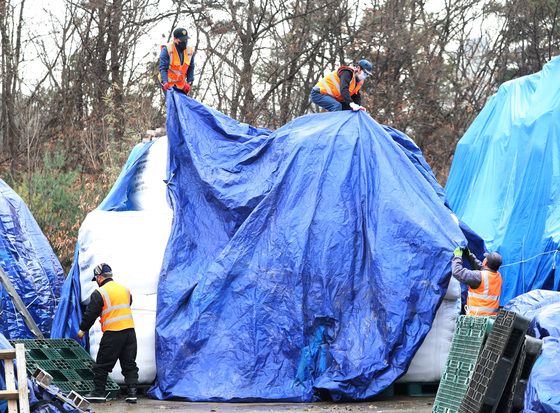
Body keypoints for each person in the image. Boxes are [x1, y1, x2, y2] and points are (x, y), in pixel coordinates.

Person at [78, 263, 139, 404]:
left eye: (96, 279)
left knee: (102, 364)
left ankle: (98, 393)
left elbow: (90, 314)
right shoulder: (125, 290)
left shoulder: (100, 293)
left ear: (99, 278)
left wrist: (82, 330)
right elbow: (127, 305)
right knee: (129, 363)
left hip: (113, 333)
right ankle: (132, 394)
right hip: (130, 332)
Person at [452, 247, 503, 316]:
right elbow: (482, 267)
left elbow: (457, 272)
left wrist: (457, 256)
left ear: (485, 262)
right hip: (490, 319)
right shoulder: (498, 276)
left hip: (475, 319)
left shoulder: (479, 276)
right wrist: (470, 255)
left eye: (485, 259)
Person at [158, 27, 195, 95]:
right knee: (172, 103)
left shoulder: (189, 51)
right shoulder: (167, 50)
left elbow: (191, 67)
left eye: (186, 40)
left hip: (181, 84)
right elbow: (163, 68)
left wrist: (189, 82)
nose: (184, 42)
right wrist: (165, 82)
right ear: (175, 39)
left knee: (182, 104)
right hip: (167, 83)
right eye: (182, 40)